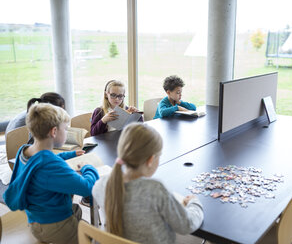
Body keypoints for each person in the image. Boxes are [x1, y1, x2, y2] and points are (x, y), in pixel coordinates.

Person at [3, 103, 99, 244]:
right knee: (94, 239)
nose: (67, 132)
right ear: (54, 132)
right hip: (54, 225)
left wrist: (69, 155)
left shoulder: (24, 151)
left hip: (36, 218)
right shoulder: (50, 165)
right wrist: (88, 168)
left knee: (76, 210)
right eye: (66, 129)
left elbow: (38, 163)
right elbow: (88, 187)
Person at [92, 123, 203, 244]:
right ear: (150, 160)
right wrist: (194, 202)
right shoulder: (155, 190)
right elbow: (186, 225)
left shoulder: (101, 185)